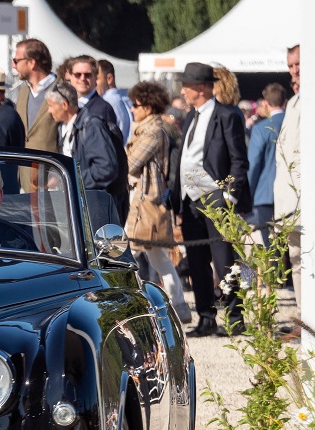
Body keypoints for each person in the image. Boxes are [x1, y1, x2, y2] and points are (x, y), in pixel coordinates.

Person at [175, 62, 251, 338]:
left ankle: (234, 317)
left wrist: (230, 195)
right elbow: (184, 158)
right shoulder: (190, 117)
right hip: (190, 199)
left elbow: (238, 160)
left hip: (216, 199)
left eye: (187, 86)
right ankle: (206, 317)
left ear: (203, 88)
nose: (182, 91)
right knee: (196, 262)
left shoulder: (226, 115)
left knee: (225, 262)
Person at [125, 80, 193, 324]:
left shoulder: (153, 131)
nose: (132, 109)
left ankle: (127, 304)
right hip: (145, 199)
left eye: (136, 104)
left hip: (145, 201)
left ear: (148, 106)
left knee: (125, 251)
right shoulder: (148, 128)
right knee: (159, 258)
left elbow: (131, 162)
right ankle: (180, 307)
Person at [46, 81, 119, 201]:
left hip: (92, 203)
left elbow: (106, 169)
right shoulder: (62, 128)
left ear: (64, 105)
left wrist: (72, 179)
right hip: (74, 202)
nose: (49, 111)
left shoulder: (91, 126)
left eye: (51, 106)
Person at [274, 44, 301, 327]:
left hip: (306, 203)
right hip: (290, 206)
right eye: (291, 65)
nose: (295, 70)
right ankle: (307, 325)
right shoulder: (293, 103)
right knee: (297, 266)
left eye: (299, 64)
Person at [247, 83, 286, 244]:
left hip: (266, 195)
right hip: (293, 193)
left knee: (272, 249)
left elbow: (253, 164)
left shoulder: (261, 128)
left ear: (266, 103)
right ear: (284, 102)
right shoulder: (295, 124)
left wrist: (247, 194)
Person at [12, 38, 58, 154]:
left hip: (51, 168)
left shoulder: (61, 90)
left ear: (32, 63)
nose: (13, 65)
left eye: (16, 61)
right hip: (23, 168)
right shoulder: (22, 92)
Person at [66, 56, 118, 127]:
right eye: (78, 75)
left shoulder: (103, 109)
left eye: (88, 75)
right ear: (70, 76)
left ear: (95, 77)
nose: (82, 78)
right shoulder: (65, 107)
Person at [96, 59, 132, 142]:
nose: (93, 82)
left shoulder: (106, 103)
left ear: (109, 79)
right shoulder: (126, 99)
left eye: (97, 78)